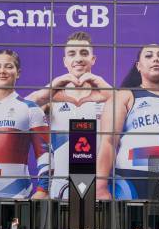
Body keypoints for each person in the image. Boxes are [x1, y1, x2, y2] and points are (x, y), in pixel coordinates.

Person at [96, 45, 159, 200]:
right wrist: (100, 187)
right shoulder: (125, 97)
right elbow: (108, 142)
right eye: (149, 56)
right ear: (138, 66)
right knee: (134, 224)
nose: (156, 59)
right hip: (133, 179)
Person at [26, 32, 110, 199]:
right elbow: (19, 111)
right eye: (72, 54)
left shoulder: (106, 97)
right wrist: (50, 87)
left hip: (97, 184)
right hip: (60, 184)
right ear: (65, 61)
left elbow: (131, 110)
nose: (78, 58)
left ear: (93, 59)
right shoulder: (53, 98)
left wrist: (108, 89)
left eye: (84, 53)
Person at [0, 50, 51, 199]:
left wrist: (42, 190)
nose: (2, 71)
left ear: (18, 72)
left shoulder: (31, 109)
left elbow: (45, 154)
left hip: (16, 195)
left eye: (8, 66)